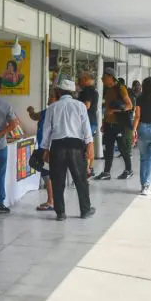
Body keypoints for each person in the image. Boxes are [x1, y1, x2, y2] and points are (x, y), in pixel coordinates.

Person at [41, 80, 95, 221]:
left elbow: (47, 130)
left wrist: (45, 149)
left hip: (57, 146)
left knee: (57, 180)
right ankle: (85, 210)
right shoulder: (80, 106)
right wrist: (90, 144)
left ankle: (60, 213)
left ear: (59, 92)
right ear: (73, 93)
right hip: (75, 146)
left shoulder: (52, 107)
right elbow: (86, 127)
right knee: (80, 179)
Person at [95, 68, 134, 180]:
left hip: (120, 124)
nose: (102, 79)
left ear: (110, 77)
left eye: (104, 77)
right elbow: (107, 108)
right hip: (109, 124)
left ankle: (128, 170)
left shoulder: (121, 88)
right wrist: (104, 122)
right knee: (109, 149)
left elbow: (129, 105)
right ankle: (106, 172)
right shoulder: (107, 90)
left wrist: (114, 111)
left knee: (123, 149)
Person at [27, 88, 57, 212]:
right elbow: (35, 116)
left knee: (47, 173)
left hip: (48, 149)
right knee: (45, 172)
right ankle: (52, 199)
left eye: (52, 97)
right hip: (44, 147)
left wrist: (47, 149)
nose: (49, 99)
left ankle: (51, 201)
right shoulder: (47, 111)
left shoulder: (55, 112)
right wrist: (31, 111)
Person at [0, 76, 19, 214]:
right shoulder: (5, 105)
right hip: (0, 144)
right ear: (0, 88)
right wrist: (0, 134)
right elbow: (14, 124)